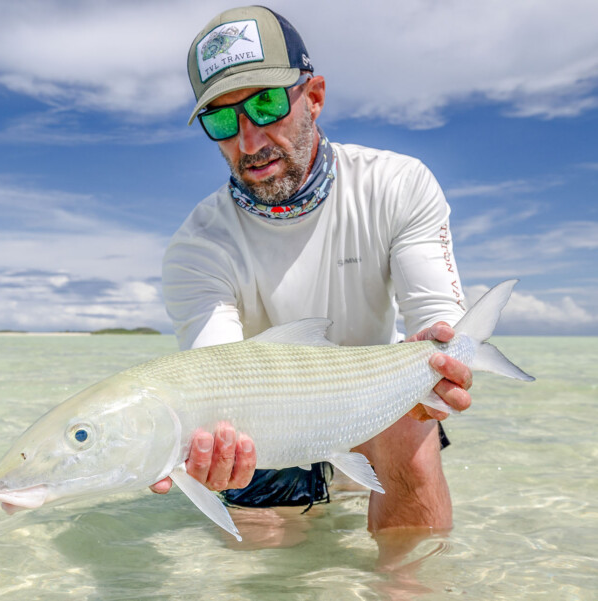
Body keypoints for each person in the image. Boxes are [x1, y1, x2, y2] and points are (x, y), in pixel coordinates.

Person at [150, 5, 472, 533]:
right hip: (266, 427)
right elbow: (216, 373)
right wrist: (207, 444)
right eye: (222, 120)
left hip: (376, 408)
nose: (249, 141)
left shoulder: (397, 183)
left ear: (315, 97)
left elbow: (439, 322)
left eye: (268, 103)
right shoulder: (197, 245)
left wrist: (453, 360)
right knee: (267, 568)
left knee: (411, 423)